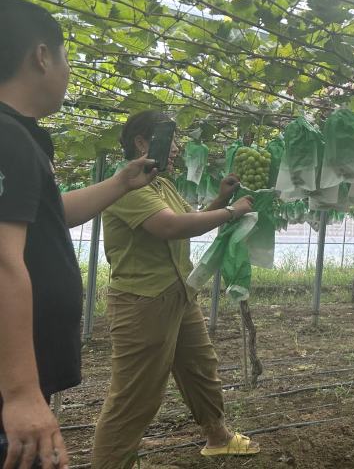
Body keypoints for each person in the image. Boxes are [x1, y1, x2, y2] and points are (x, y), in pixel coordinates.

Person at [0, 0, 158, 469]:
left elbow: (50, 216)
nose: (67, 68)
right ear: (42, 56)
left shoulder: (18, 135)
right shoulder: (7, 137)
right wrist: (23, 392)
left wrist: (119, 182)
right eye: (65, 55)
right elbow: (3, 262)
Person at [90, 110, 259, 468]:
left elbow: (189, 217)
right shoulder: (126, 185)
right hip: (142, 303)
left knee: (200, 367)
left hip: (179, 294)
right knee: (135, 396)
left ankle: (218, 437)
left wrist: (220, 199)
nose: (176, 150)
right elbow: (171, 226)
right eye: (170, 141)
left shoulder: (161, 184)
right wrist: (230, 212)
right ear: (141, 142)